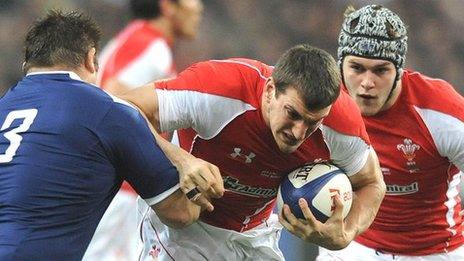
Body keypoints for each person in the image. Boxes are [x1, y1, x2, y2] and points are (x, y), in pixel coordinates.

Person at [120, 43, 386, 260]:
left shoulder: (341, 125)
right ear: (270, 90)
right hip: (185, 232)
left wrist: (346, 233)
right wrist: (180, 160)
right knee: (181, 215)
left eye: (312, 123)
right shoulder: (221, 90)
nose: (298, 133)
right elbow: (123, 110)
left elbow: (372, 183)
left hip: (256, 235)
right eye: (292, 114)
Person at [0, 10, 220, 261]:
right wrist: (189, 161)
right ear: (91, 59)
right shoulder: (106, 109)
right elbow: (181, 212)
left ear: (27, 64)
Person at [318, 4, 464, 260]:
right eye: (357, 68)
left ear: (399, 70)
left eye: (380, 70)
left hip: (434, 250)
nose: (367, 82)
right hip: (353, 244)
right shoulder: (321, 102)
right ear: (340, 66)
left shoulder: (441, 112)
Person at [84, 0, 204, 259]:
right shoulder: (152, 46)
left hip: (112, 183)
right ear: (167, 6)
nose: (198, 7)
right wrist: (174, 156)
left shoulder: (136, 39)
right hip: (121, 188)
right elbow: (113, 101)